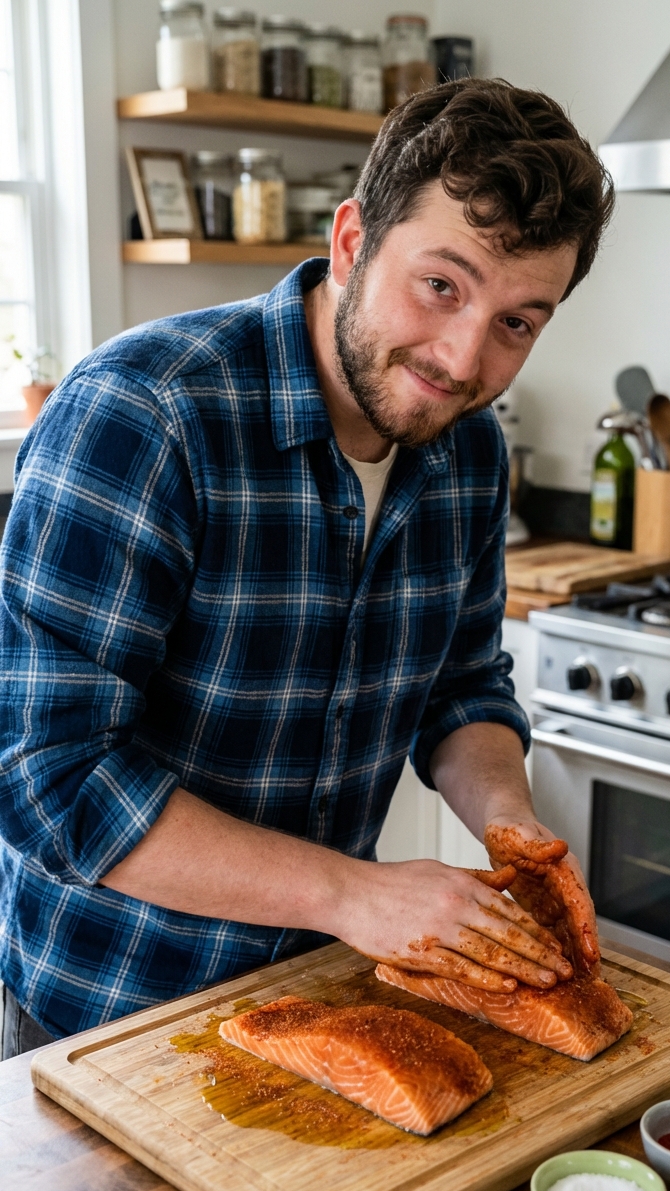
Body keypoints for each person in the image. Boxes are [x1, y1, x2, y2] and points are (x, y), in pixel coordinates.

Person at [0, 78, 613, 1058]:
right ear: (350, 240)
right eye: (440, 284)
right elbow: (47, 776)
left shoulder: (469, 454)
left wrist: (508, 820)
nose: (463, 358)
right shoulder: (142, 414)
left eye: (516, 322)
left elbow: (460, 687)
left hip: (316, 996)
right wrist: (351, 891)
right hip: (106, 1016)